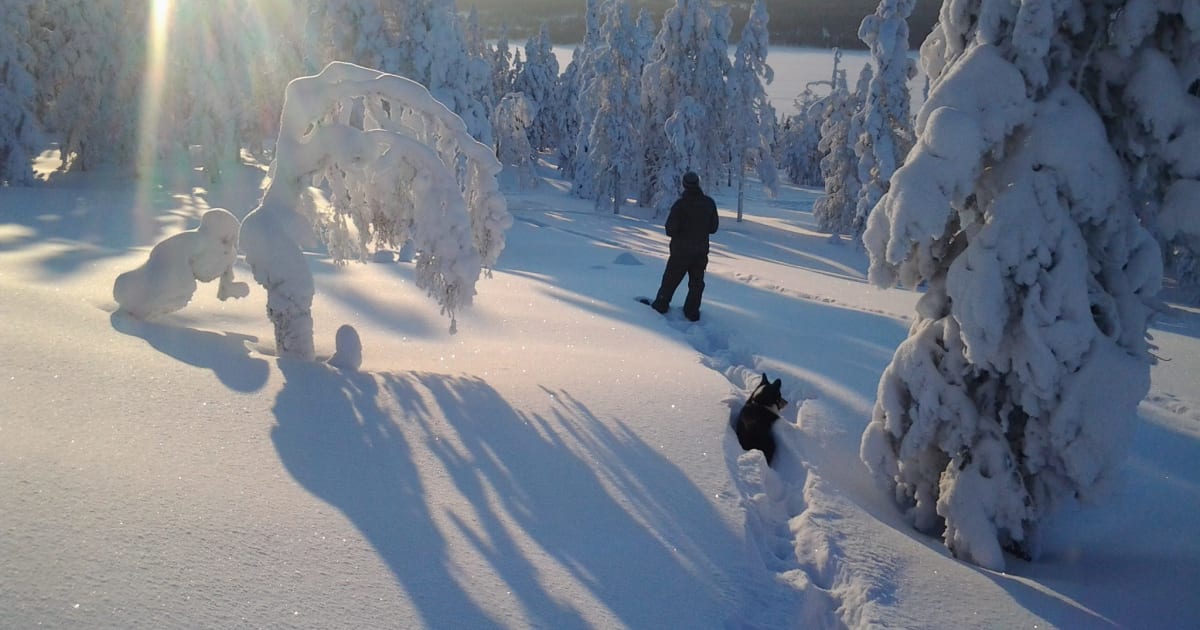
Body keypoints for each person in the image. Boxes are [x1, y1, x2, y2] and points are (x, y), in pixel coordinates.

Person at [650, 171, 719, 321]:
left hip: (680, 252)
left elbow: (670, 229)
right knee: (696, 284)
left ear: (684, 185)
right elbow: (713, 228)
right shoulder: (709, 203)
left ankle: (661, 305)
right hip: (700, 252)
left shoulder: (680, 205)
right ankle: (692, 312)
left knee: (670, 281)